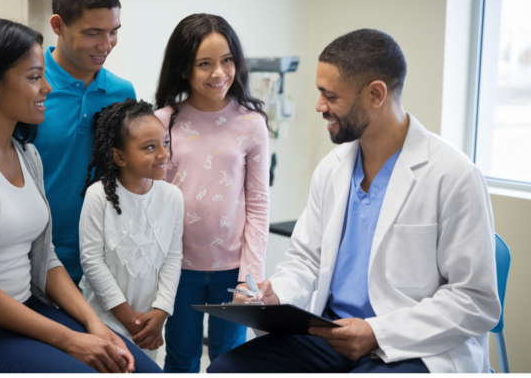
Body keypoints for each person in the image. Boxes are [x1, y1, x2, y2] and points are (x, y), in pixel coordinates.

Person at [208, 28, 501, 374]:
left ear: (376, 94)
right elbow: (306, 261)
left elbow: (475, 300)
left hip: (413, 346)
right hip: (330, 334)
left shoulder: (454, 175)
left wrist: (378, 332)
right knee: (229, 369)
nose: (319, 106)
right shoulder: (332, 169)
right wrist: (275, 297)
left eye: (330, 96)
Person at [0, 18, 161, 373]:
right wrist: (70, 339)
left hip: (30, 311)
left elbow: (45, 256)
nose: (47, 89)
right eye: (35, 77)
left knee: (142, 370)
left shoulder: (27, 155)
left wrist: (94, 324)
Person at [153, 13, 271, 373]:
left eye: (227, 60)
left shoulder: (252, 124)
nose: (219, 73)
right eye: (205, 64)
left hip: (232, 269)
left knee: (229, 361)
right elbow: (151, 201)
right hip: (177, 269)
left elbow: (258, 204)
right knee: (181, 357)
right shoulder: (162, 121)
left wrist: (249, 277)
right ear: (184, 68)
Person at [32, 0, 136, 287]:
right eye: (93, 33)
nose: (106, 45)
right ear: (58, 25)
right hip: (36, 262)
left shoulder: (123, 92)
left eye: (114, 31)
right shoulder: (30, 89)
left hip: (105, 262)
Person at [78, 99, 184, 361]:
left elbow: (172, 257)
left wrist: (161, 312)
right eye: (150, 147)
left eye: (165, 143)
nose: (163, 154)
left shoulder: (173, 197)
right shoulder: (97, 196)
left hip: (149, 325)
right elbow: (92, 261)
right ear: (119, 156)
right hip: (102, 320)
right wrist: (125, 316)